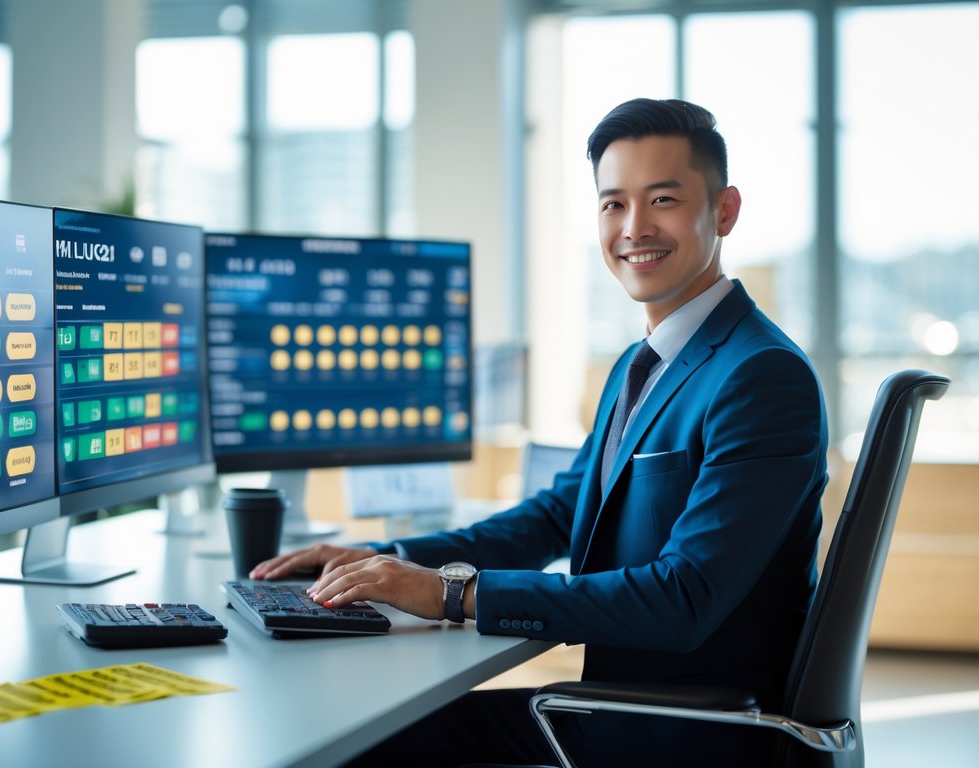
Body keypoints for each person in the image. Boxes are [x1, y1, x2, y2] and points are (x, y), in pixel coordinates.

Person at [253, 97, 829, 767]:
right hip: (620, 714)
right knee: (367, 730)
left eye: (662, 199)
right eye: (612, 204)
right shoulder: (643, 362)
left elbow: (683, 597)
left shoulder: (759, 375)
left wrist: (449, 595)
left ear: (723, 210)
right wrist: (381, 558)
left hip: (686, 741)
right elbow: (557, 516)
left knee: (355, 748)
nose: (633, 227)